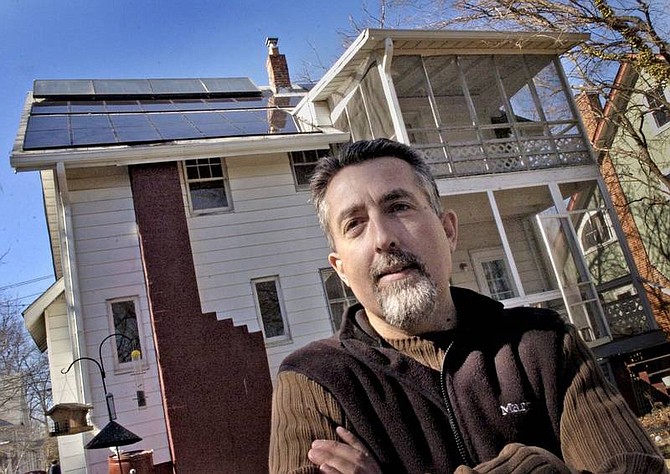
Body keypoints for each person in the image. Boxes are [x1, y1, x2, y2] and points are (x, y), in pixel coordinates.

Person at [268, 138, 667, 473]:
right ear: (340, 269)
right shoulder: (314, 380)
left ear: (448, 231)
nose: (383, 238)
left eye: (399, 207)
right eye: (354, 224)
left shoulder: (543, 343)